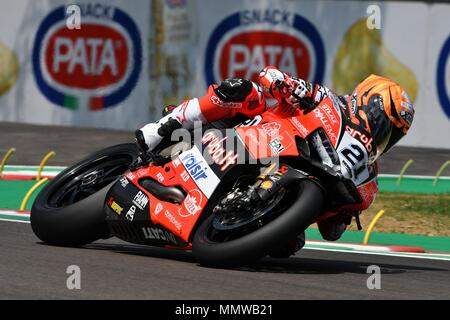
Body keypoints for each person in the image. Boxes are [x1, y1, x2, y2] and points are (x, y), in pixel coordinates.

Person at [135, 66, 415, 257]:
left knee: (290, 246)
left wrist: (339, 215)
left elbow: (331, 232)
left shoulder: (368, 175)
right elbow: (268, 74)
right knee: (244, 90)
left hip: (292, 173)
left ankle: (226, 220)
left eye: (393, 135)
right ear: (368, 102)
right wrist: (284, 84)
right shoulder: (327, 99)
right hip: (253, 133)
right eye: (385, 125)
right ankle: (161, 129)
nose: (384, 137)